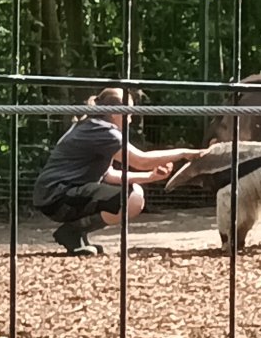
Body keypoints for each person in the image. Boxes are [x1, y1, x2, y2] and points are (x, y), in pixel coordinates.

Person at [32, 87, 205, 256]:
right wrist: (184, 153)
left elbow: (109, 175)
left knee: (134, 192)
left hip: (54, 195)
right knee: (132, 199)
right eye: (128, 112)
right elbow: (141, 160)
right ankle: (72, 232)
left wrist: (150, 177)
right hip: (58, 196)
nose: (131, 118)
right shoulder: (102, 131)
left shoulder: (91, 126)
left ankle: (76, 233)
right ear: (115, 112)